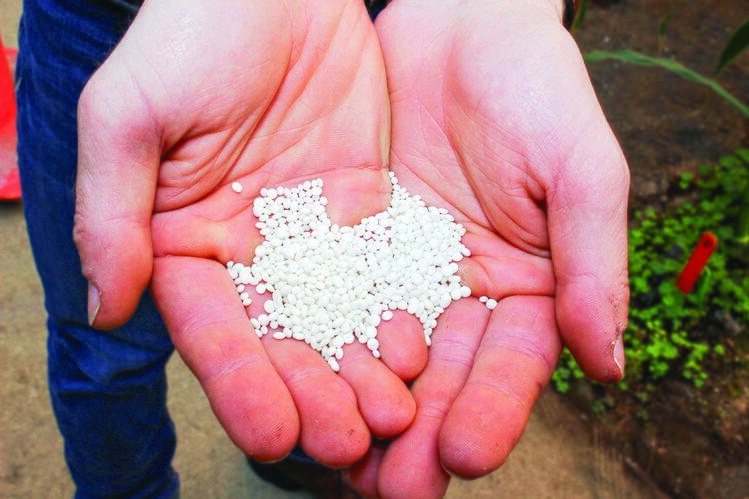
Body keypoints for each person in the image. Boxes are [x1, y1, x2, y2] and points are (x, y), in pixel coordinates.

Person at [16, 0, 630, 497]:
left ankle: (309, 453)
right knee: (103, 343)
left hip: (414, 27)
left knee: (332, 384)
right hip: (113, 20)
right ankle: (127, 488)